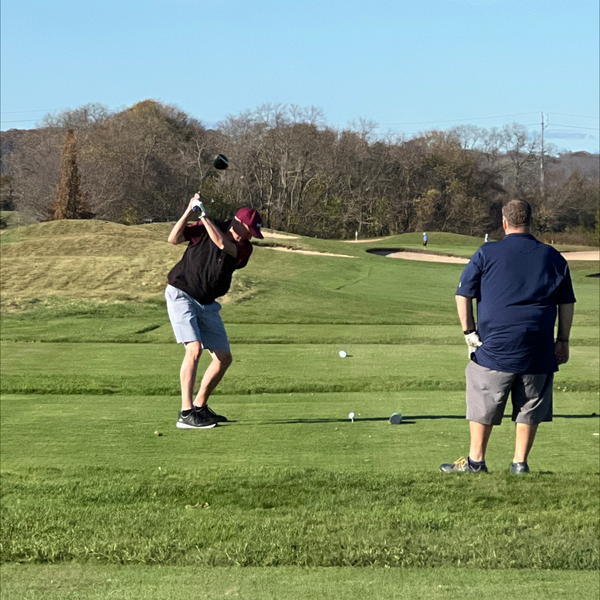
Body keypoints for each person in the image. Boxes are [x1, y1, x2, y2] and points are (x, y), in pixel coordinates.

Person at [440, 199, 576, 474]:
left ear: (504, 222)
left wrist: (469, 333)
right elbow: (567, 304)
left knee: (483, 398)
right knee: (530, 404)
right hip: (537, 345)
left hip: (495, 345)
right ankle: (519, 464)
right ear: (530, 222)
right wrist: (562, 341)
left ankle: (476, 462)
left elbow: (463, 295)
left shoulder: (486, 253)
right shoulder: (553, 257)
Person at [165, 194, 264, 429]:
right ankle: (186, 413)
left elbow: (222, 244)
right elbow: (173, 238)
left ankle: (200, 406)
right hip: (182, 293)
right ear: (237, 222)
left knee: (223, 357)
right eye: (248, 230)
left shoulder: (244, 249)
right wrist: (189, 212)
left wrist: (203, 215)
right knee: (194, 349)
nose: (249, 236)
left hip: (208, 304)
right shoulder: (207, 225)